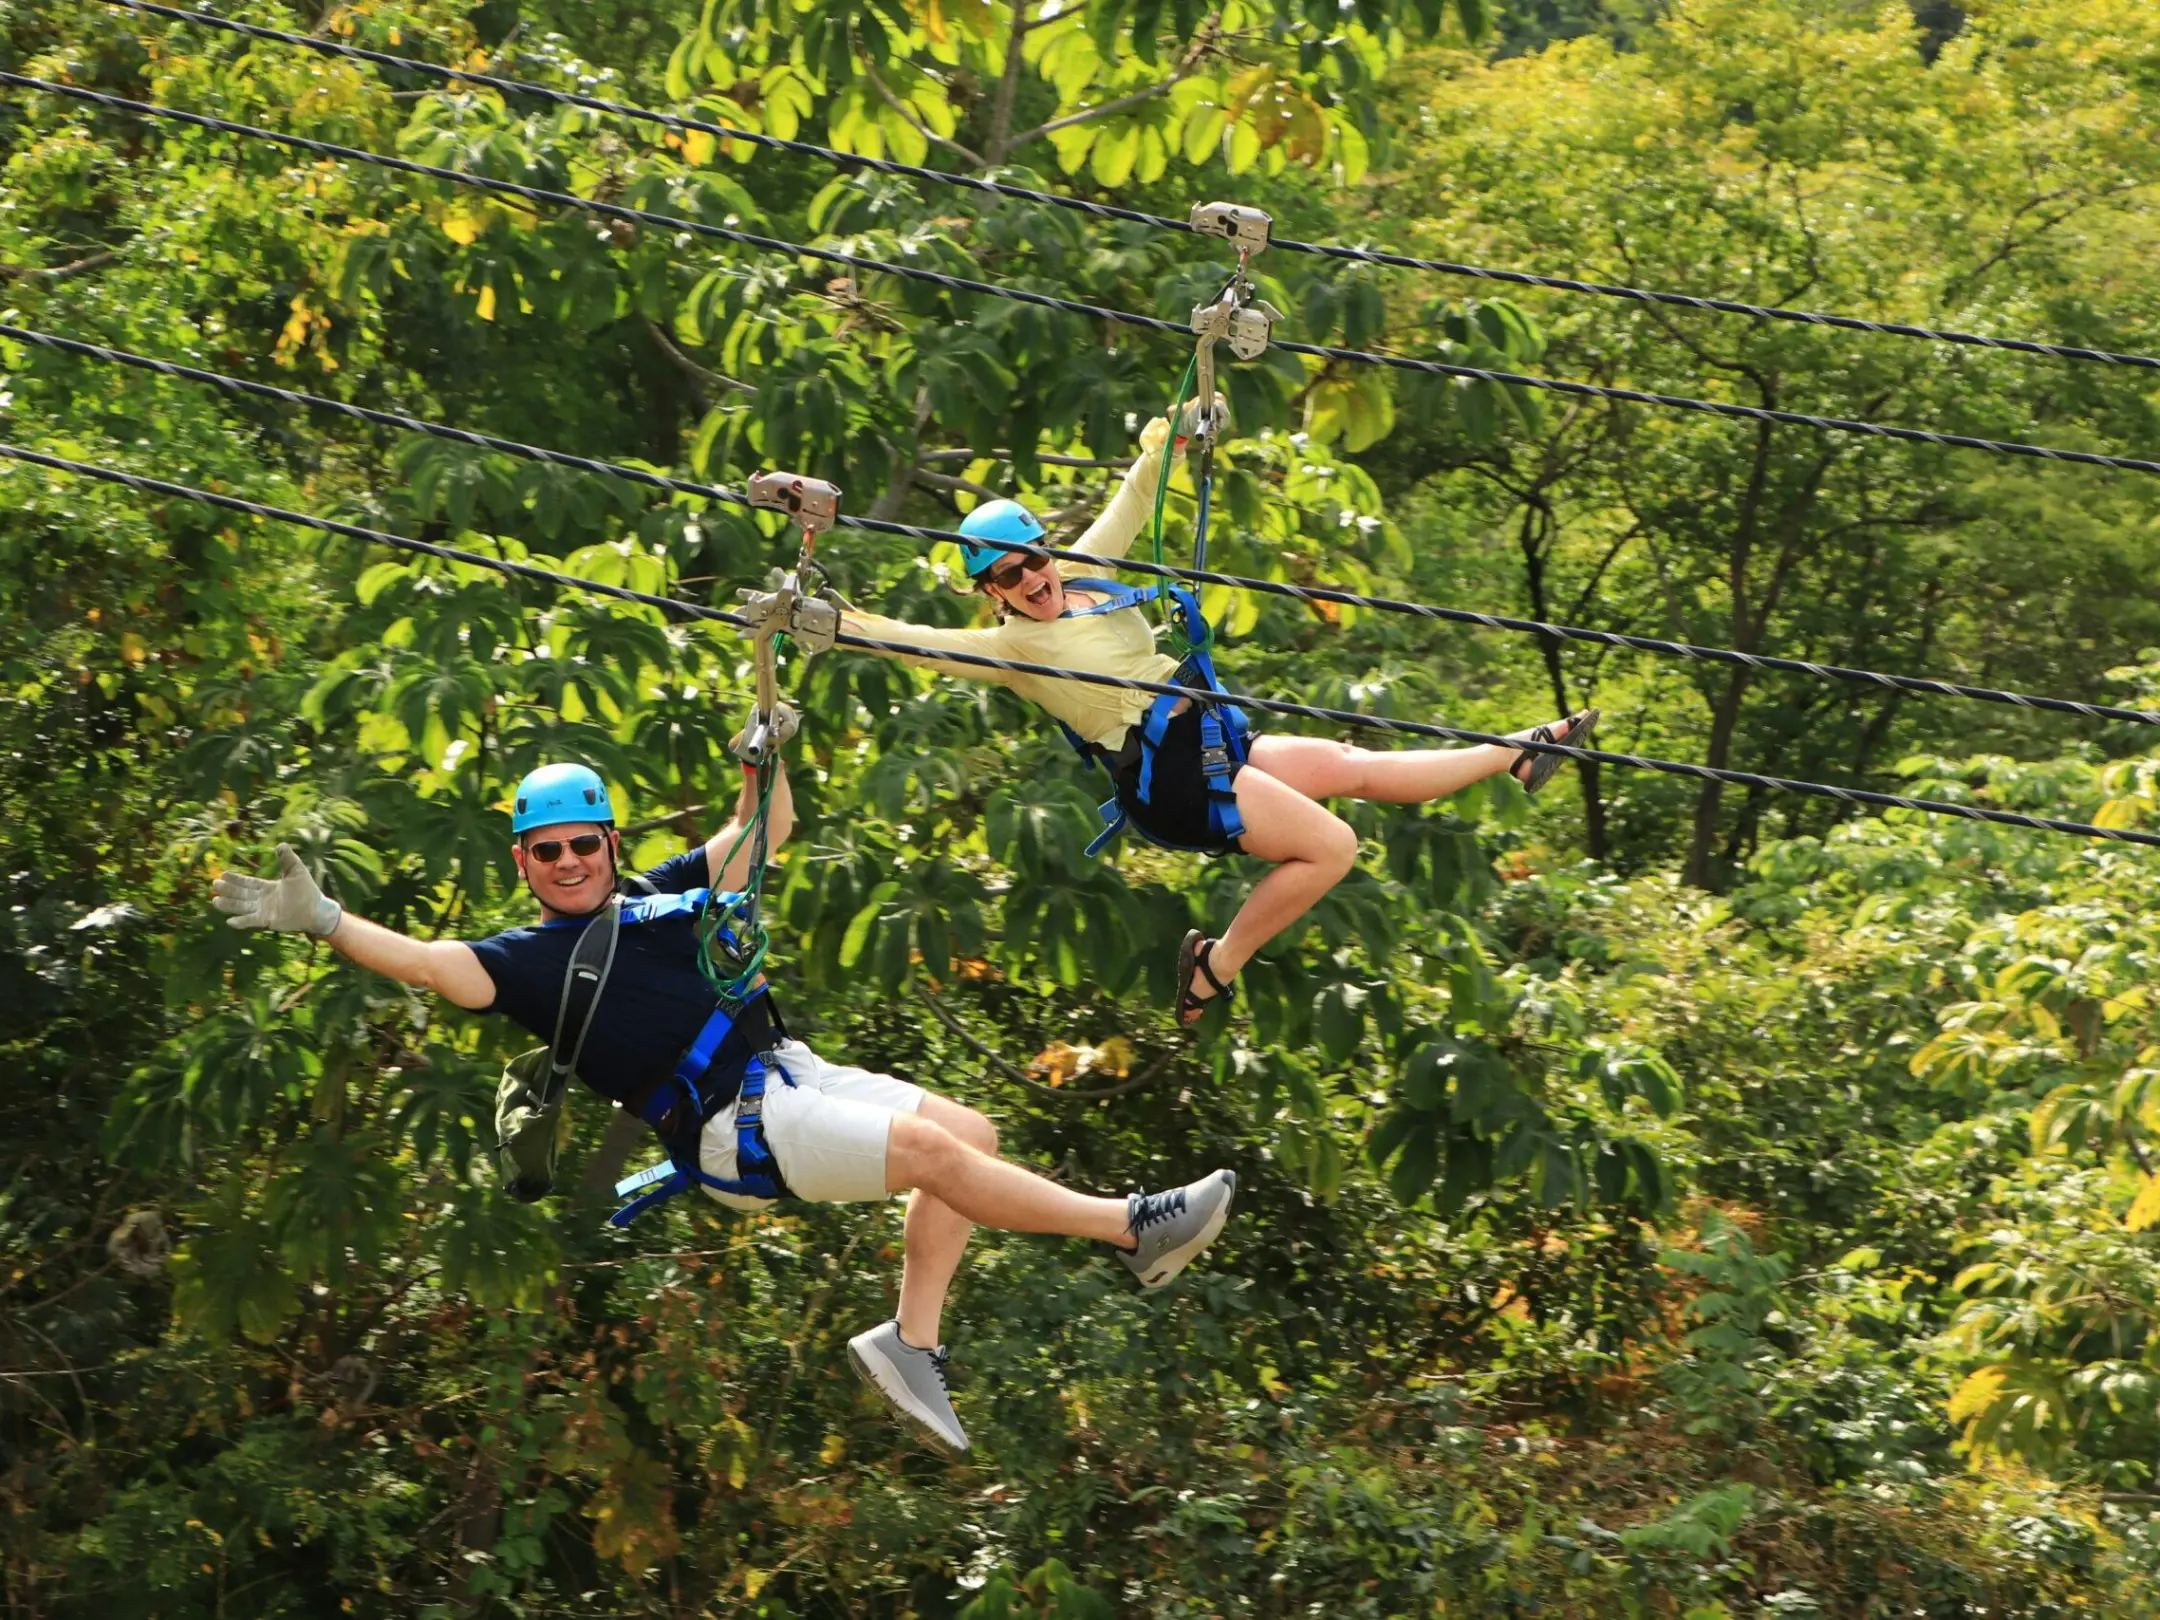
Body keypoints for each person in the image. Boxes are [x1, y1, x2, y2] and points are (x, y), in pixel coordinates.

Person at [210, 760, 1236, 1457]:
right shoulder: (524, 964)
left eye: (583, 844)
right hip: (725, 1132)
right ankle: (1130, 1228)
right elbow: (430, 967)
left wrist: (766, 707)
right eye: (548, 851)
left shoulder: (656, 900)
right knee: (928, 1150)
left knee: (972, 1135)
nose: (569, 862)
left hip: (788, 1075)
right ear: (521, 863)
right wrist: (327, 920)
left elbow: (767, 827)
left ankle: (910, 1344)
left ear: (611, 844)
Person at [843, 406, 1599, 1026]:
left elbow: (1134, 497)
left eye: (1032, 560)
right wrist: (829, 619)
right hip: (1166, 774)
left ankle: (1516, 753)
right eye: (1007, 577)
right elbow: (918, 644)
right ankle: (1217, 963)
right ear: (992, 594)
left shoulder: (1086, 574)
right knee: (1333, 847)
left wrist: (1175, 430)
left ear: (1045, 550)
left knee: (1352, 769)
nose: (1030, 579)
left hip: (1206, 734)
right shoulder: (1010, 648)